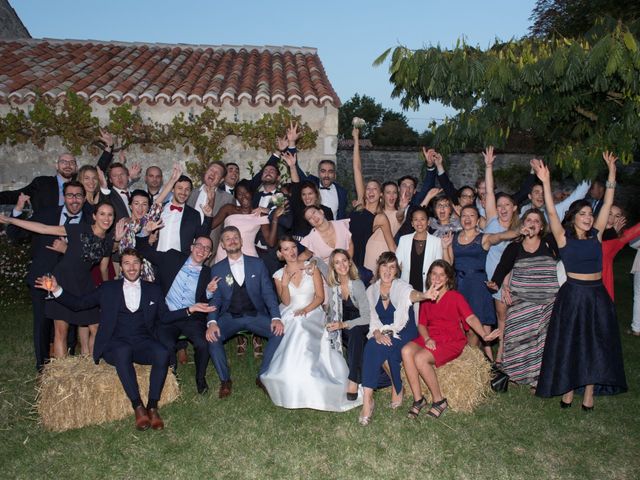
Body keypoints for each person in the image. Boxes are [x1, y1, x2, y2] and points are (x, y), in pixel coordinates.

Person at [35, 248, 214, 430]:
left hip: (142, 341)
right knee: (123, 351)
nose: (131, 267)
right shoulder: (108, 289)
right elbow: (79, 304)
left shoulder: (153, 290)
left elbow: (165, 317)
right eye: (127, 263)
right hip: (115, 343)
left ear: (141, 266)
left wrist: (189, 309)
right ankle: (137, 406)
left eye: (135, 263)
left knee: (162, 352)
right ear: (121, 267)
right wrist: (56, 289)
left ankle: (152, 406)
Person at [532, 155, 627, 409]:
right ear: (574, 217)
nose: (587, 217)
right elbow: (551, 210)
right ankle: (569, 388)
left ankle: (589, 392)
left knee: (595, 343)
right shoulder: (563, 238)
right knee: (572, 343)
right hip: (572, 295)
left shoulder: (596, 236)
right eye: (582, 213)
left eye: (589, 213)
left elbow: (607, 201)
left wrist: (611, 173)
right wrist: (546, 181)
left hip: (596, 295)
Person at [0, 200, 122, 357]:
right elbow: (44, 229)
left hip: (85, 284)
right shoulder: (78, 229)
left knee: (96, 327)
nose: (106, 218)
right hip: (62, 281)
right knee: (61, 330)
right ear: (94, 216)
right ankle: (61, 374)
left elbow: (104, 268)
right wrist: (11, 220)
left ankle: (94, 365)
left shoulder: (107, 242)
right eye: (102, 214)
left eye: (110, 215)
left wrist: (106, 292)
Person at [260, 237, 362, 411]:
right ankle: (289, 375)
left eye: (293, 247)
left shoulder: (310, 267)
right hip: (289, 311)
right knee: (295, 324)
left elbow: (320, 297)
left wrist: (306, 310)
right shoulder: (278, 275)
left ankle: (313, 374)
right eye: (286, 249)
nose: (291, 252)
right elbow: (285, 301)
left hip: (313, 310)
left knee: (302, 327)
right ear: (281, 254)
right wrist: (284, 284)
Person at [5, 182, 91, 370]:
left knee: (69, 325)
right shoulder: (46, 214)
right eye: (70, 195)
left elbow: (91, 256)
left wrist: (68, 249)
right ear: (64, 196)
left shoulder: (91, 221)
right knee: (42, 323)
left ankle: (66, 367)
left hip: (72, 281)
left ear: (84, 198)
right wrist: (18, 209)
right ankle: (42, 367)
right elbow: (14, 234)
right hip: (42, 278)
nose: (74, 199)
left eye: (78, 195)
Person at [402, 260, 500, 419]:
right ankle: (418, 399)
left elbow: (471, 317)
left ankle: (439, 400)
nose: (437, 278)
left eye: (442, 275)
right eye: (434, 274)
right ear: (430, 276)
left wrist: (483, 334)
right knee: (406, 351)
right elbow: (421, 325)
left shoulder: (455, 297)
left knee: (420, 358)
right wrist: (426, 339)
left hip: (452, 339)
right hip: (432, 335)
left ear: (448, 278)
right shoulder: (427, 297)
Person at [205, 226, 284, 398]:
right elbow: (215, 299)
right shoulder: (217, 269)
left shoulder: (257, 264)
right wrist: (211, 322)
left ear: (241, 241)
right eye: (228, 238)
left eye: (235, 237)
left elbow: (268, 293)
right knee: (212, 338)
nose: (232, 240)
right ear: (223, 245)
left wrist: (276, 317)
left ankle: (262, 375)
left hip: (255, 315)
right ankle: (225, 380)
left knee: (278, 332)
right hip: (229, 317)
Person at [358, 252, 432, 426]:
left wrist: (424, 295)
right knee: (372, 345)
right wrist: (376, 333)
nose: (388, 270)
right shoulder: (371, 290)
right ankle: (368, 400)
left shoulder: (401, 286)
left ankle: (393, 388)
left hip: (403, 330)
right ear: (379, 267)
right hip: (383, 331)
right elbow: (372, 318)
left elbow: (411, 295)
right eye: (385, 266)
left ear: (396, 271)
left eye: (392, 267)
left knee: (381, 347)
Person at [488, 209, 559, 387]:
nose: (532, 223)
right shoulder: (514, 246)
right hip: (521, 301)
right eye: (529, 220)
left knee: (541, 341)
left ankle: (538, 380)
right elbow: (504, 266)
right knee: (515, 336)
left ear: (541, 226)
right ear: (523, 224)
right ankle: (516, 375)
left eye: (536, 221)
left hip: (547, 302)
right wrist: (496, 282)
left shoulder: (550, 243)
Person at [138, 235, 217, 394]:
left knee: (203, 343)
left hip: (191, 319)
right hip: (168, 316)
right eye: (199, 245)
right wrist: (146, 235)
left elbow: (201, 302)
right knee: (167, 345)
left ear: (209, 255)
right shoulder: (172, 257)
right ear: (192, 247)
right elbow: (143, 250)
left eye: (206, 248)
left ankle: (200, 379)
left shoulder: (208, 273)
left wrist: (208, 293)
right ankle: (171, 378)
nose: (201, 250)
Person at [451, 205, 520, 360]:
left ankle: (470, 361)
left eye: (471, 216)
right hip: (458, 286)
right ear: (459, 218)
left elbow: (500, 236)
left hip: (476, 288)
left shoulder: (484, 238)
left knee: (475, 328)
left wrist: (518, 232)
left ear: (477, 220)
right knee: (459, 326)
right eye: (464, 216)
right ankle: (459, 360)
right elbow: (448, 261)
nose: (467, 219)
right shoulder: (453, 237)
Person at [483, 146, 520, 364]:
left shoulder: (520, 227)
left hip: (508, 280)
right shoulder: (492, 221)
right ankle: (496, 354)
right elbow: (489, 192)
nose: (503, 208)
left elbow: (516, 259)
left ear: (514, 208)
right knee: (494, 318)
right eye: (499, 205)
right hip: (488, 280)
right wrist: (489, 166)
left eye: (507, 205)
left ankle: (502, 356)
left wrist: (506, 282)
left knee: (506, 318)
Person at [350, 127, 396, 282]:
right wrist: (356, 139)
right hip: (344, 254)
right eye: (367, 188)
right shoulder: (360, 204)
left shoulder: (380, 218)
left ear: (381, 194)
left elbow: (392, 246)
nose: (370, 191)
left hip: (358, 260)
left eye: (374, 188)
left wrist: (399, 269)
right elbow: (357, 169)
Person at [326, 249, 371, 401]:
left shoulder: (357, 284)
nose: (342, 265)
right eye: (337, 262)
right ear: (333, 267)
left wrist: (343, 324)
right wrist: (313, 262)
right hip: (342, 324)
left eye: (344, 260)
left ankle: (353, 380)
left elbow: (366, 317)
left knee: (355, 333)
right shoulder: (334, 286)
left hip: (360, 324)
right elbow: (320, 264)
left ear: (350, 262)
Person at [211, 179, 283, 262]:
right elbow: (211, 225)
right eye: (240, 194)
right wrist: (210, 206)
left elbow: (271, 242)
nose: (244, 196)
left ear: (252, 193)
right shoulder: (228, 208)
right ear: (236, 197)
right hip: (225, 254)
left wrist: (275, 218)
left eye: (246, 192)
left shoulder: (260, 214)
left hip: (248, 256)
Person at [155, 175, 213, 254]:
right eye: (180, 188)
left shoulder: (194, 215)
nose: (183, 192)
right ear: (172, 189)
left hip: (180, 261)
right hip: (156, 259)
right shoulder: (160, 209)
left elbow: (201, 238)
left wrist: (208, 217)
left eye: (187, 189)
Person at [186, 161, 235, 253]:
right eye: (211, 170)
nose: (213, 173)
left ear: (221, 180)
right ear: (206, 172)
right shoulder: (190, 193)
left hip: (210, 248)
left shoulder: (228, 199)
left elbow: (229, 227)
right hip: (186, 243)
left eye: (217, 173)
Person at [395, 207, 446, 294]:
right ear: (412, 223)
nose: (419, 223)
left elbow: (438, 266)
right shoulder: (404, 240)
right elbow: (396, 263)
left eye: (422, 219)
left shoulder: (436, 241)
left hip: (428, 288)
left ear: (428, 222)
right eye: (415, 219)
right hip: (406, 286)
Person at [601, 205, 640, 300]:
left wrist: (613, 233)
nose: (612, 218)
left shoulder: (620, 239)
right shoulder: (589, 231)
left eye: (617, 216)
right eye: (609, 213)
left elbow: (637, 229)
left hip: (603, 277)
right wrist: (612, 232)